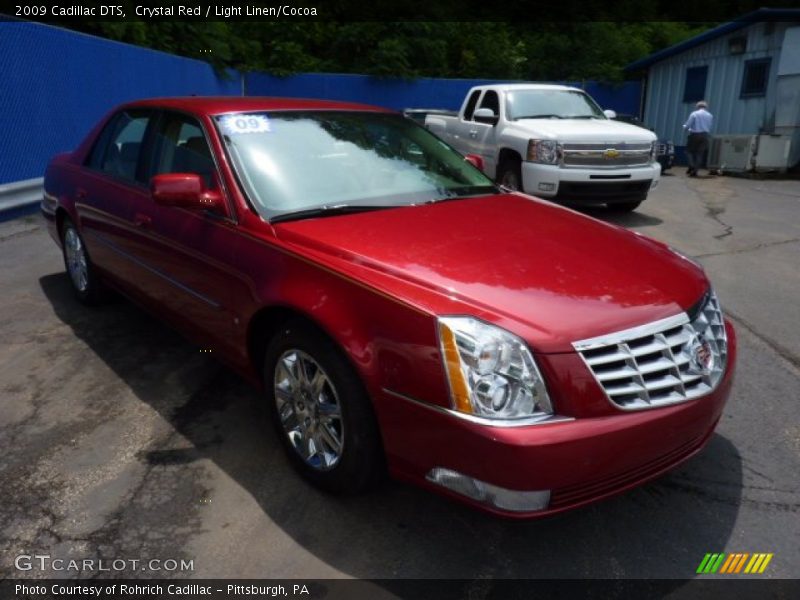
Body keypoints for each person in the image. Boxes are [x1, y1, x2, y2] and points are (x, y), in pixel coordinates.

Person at [683, 101, 713, 176]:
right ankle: (695, 171)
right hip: (705, 135)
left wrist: (685, 127)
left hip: (695, 134)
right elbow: (709, 126)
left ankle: (691, 166)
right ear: (706, 107)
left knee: (688, 151)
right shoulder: (710, 115)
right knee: (700, 153)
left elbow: (688, 125)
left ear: (697, 106)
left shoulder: (694, 114)